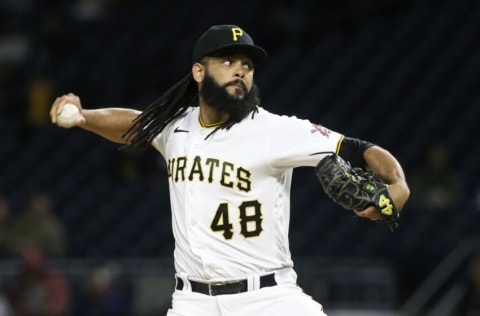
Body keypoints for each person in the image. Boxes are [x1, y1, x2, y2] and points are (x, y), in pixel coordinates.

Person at [49, 24, 410, 316]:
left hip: (267, 299)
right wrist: (84, 117)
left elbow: (360, 149)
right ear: (198, 71)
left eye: (248, 65)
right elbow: (136, 124)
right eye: (228, 61)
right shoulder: (176, 126)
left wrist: (397, 184)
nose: (240, 70)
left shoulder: (274, 130)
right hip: (193, 302)